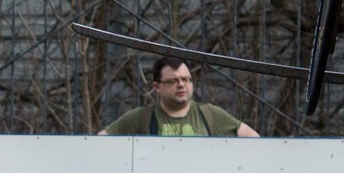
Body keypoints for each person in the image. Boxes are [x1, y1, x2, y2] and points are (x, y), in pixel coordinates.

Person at [100, 57, 256, 137]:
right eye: (173, 81)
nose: (181, 85)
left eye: (186, 79)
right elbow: (99, 143)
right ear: (157, 87)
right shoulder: (141, 118)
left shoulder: (211, 115)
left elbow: (252, 138)